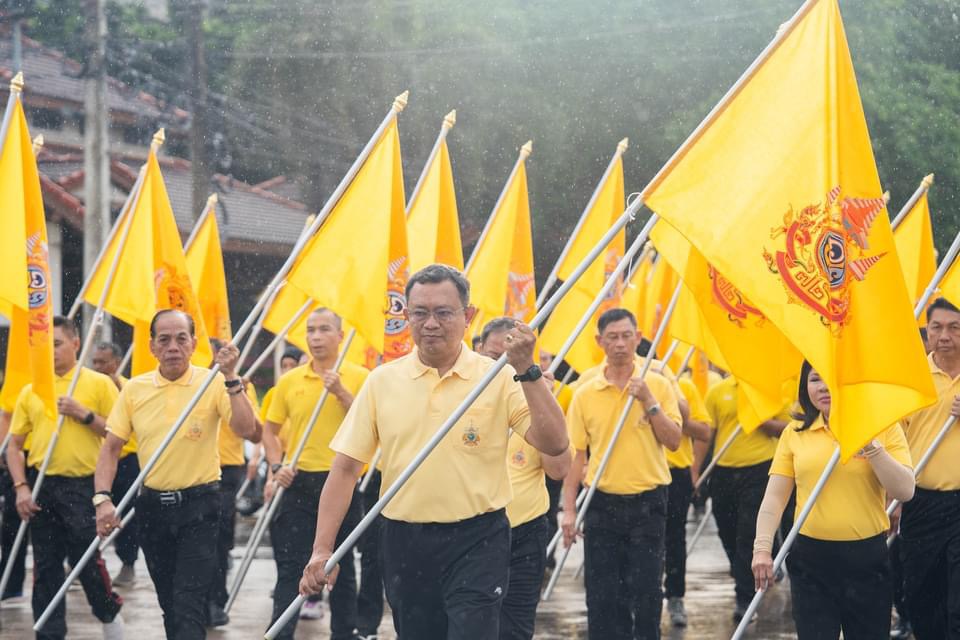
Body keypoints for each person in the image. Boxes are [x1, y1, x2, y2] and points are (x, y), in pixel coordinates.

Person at [299, 264, 569, 639]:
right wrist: (321, 549)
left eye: (443, 312)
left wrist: (528, 370)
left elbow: (555, 443)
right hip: (404, 541)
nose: (430, 324)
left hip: (478, 539)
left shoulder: (498, 377)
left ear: (468, 316)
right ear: (406, 316)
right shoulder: (382, 382)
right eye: (420, 313)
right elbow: (345, 469)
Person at [95, 309, 261, 639]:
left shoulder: (212, 382)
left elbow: (249, 431)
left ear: (194, 344)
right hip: (152, 509)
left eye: (181, 339)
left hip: (200, 507)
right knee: (169, 605)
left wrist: (231, 377)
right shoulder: (135, 389)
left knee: (188, 604)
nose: (173, 347)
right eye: (165, 339)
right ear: (152, 346)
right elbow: (110, 448)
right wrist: (102, 499)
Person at [752, 361, 915, 638]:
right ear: (805, 387)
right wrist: (762, 550)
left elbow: (905, 490)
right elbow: (775, 499)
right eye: (815, 379)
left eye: (833, 380)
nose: (824, 387)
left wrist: (872, 446)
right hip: (810, 561)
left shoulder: (883, 426)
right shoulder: (795, 432)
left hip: (866, 559)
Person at [561, 307, 683, 640]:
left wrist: (648, 400)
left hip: (649, 502)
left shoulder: (657, 383)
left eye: (626, 336)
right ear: (599, 341)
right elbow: (576, 455)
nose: (620, 344)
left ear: (638, 337)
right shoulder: (586, 392)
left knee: (646, 591)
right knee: (602, 594)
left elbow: (673, 441)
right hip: (602, 503)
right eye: (612, 337)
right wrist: (569, 510)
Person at [6, 316, 124, 639]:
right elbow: (14, 446)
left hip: (84, 485)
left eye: (57, 344)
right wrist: (21, 487)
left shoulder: (98, 384)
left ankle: (108, 613)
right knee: (46, 564)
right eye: (45, 345)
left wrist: (83, 414)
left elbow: (119, 434)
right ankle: (49, 633)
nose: (51, 351)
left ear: (75, 343)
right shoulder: (32, 389)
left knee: (85, 558)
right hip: (43, 483)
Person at [262, 308, 369, 640]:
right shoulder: (290, 380)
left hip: (343, 481)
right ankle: (280, 633)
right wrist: (276, 466)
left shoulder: (361, 377)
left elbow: (370, 424)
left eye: (324, 329)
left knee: (341, 566)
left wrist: (341, 392)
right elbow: (269, 430)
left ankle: (344, 633)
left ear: (340, 336)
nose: (316, 337)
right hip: (299, 482)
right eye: (310, 330)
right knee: (292, 565)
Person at [477, 318, 572, 640]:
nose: (502, 369)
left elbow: (559, 469)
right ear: (478, 351)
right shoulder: (460, 401)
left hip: (524, 535)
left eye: (512, 361)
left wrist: (542, 400)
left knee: (515, 627)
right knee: (472, 623)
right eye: (494, 357)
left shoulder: (533, 400)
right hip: (472, 534)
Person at [704, 373, 791, 622]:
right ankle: (744, 570)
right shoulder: (718, 391)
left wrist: (763, 421)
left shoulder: (771, 391)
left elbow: (790, 429)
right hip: (723, 470)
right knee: (727, 531)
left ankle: (744, 599)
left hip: (760, 469)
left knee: (747, 534)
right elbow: (709, 432)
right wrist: (697, 469)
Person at [898, 297, 960, 638]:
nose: (944, 335)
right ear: (927, 331)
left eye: (954, 327)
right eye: (936, 327)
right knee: (922, 595)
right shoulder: (912, 378)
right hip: (920, 502)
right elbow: (894, 439)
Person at [206, 338, 261, 627]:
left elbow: (255, 432)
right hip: (192, 471)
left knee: (218, 541)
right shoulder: (194, 384)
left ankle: (216, 600)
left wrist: (240, 394)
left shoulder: (237, 385)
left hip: (225, 471)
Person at [663, 373, 712, 627]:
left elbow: (704, 431)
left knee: (674, 537)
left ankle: (675, 596)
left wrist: (673, 418)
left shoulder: (682, 386)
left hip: (675, 474)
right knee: (639, 540)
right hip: (636, 475)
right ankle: (641, 597)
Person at [91, 341, 139, 587]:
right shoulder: (89, 385)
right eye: (95, 362)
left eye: (103, 362)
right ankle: (86, 561)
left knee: (125, 515)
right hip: (97, 461)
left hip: (127, 460)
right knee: (92, 513)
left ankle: (128, 562)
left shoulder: (130, 387)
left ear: (117, 362)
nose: (98, 367)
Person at [0, 408, 28, 601]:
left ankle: (11, 583)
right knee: (11, 526)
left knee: (15, 523)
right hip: (9, 452)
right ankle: (10, 582)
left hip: (24, 453)